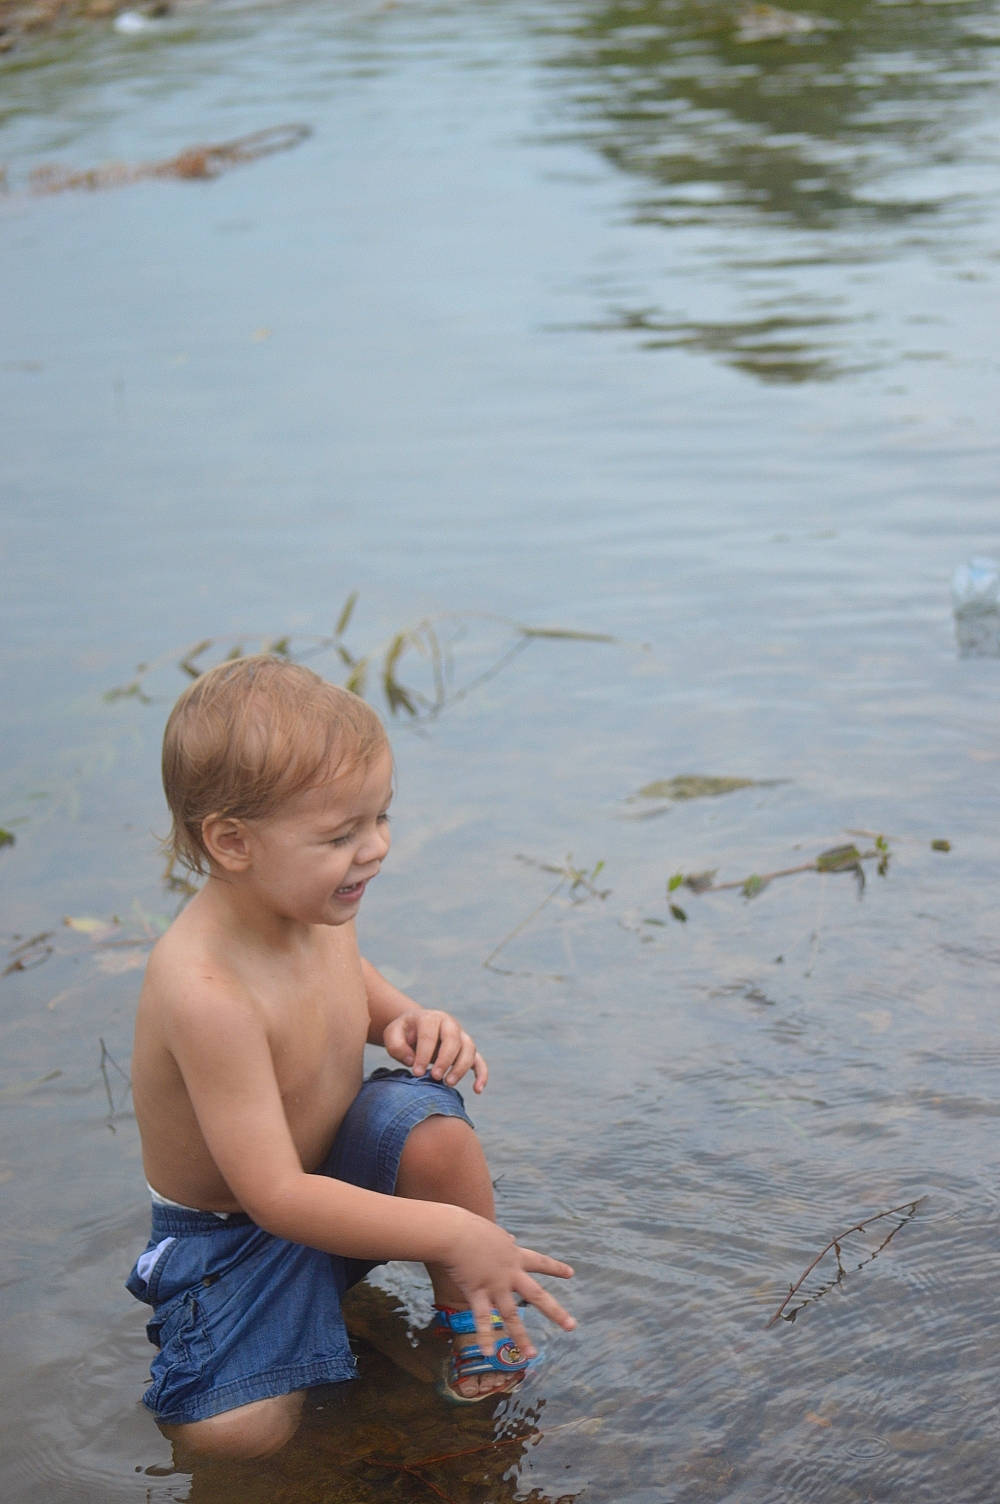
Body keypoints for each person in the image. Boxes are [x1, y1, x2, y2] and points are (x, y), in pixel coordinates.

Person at [126, 654, 575, 1462]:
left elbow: (348, 988)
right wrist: (450, 1230)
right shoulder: (206, 991)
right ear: (232, 842)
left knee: (428, 1125)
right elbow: (274, 1197)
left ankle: (463, 1325)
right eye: (341, 834)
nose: (375, 850)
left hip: (330, 1181)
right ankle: (325, 1333)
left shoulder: (315, 906)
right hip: (234, 1235)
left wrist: (407, 1021)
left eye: (380, 817)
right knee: (234, 1440)